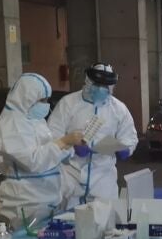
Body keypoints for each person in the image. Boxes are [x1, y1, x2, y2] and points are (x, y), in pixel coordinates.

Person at [0, 73, 81, 228]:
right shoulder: (11, 125)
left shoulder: (35, 120)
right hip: (25, 202)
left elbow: (48, 151)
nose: (46, 104)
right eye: (42, 100)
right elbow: (33, 161)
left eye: (47, 100)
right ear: (27, 98)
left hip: (46, 198)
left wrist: (68, 148)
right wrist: (63, 142)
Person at [49, 63, 138, 207]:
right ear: (88, 81)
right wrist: (71, 149)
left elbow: (130, 137)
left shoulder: (119, 109)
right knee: (68, 218)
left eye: (106, 86)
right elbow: (52, 136)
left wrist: (126, 149)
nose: (101, 89)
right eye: (97, 85)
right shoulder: (68, 103)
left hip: (103, 180)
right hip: (70, 177)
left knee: (105, 217)